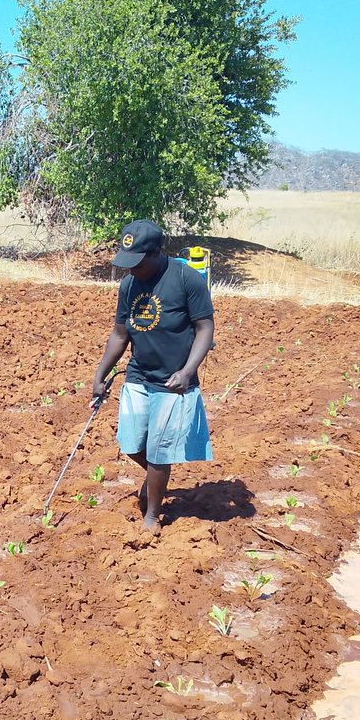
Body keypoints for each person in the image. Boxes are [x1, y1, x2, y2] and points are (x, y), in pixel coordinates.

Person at [91, 219, 215, 533]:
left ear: (156, 252)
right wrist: (100, 374)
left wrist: (188, 371)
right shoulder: (129, 285)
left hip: (174, 380)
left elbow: (205, 329)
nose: (131, 269)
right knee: (131, 443)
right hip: (138, 374)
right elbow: (120, 334)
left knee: (160, 450)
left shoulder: (187, 279)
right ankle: (156, 475)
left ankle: (152, 515)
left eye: (138, 262)